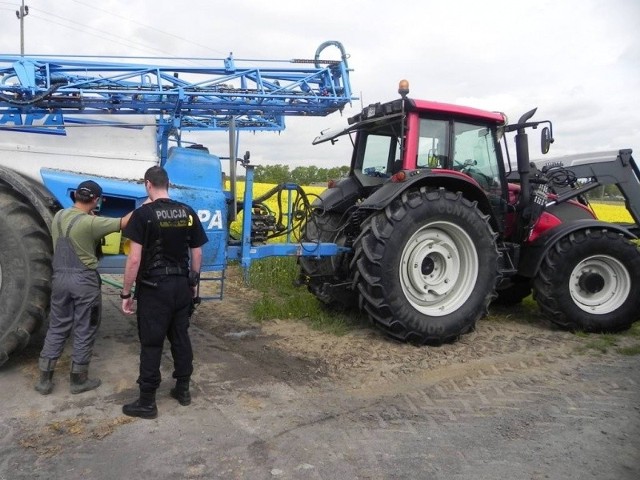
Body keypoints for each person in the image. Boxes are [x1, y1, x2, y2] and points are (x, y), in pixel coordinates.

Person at [120, 165, 208, 419]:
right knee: (180, 337)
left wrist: (126, 293)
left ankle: (147, 402)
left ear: (148, 184)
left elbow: (134, 259)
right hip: (181, 285)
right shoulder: (187, 212)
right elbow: (198, 252)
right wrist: (193, 282)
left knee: (151, 343)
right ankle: (183, 391)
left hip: (154, 288)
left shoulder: (142, 215)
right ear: (168, 184)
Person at [35, 180, 133, 395]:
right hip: (83, 281)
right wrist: (147, 204)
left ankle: (44, 379)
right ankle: (78, 380)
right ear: (96, 200)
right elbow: (125, 222)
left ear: (76, 196)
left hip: (59, 278)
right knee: (85, 327)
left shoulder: (59, 216)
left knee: (57, 326)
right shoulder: (91, 224)